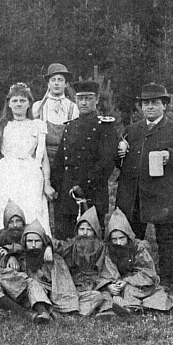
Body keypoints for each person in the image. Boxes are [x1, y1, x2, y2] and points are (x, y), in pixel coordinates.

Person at [116, 83, 173, 292]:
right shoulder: (132, 130)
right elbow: (120, 164)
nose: (150, 107)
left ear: (164, 106)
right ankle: (135, 278)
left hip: (162, 193)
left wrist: (171, 156)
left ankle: (168, 282)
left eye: (154, 103)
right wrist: (120, 153)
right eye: (146, 104)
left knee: (165, 238)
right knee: (134, 238)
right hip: (135, 194)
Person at [0, 83, 55, 236]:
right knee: (3, 209)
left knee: (31, 210)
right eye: (15, 100)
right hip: (6, 174)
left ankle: (33, 243)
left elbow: (43, 158)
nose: (18, 104)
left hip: (30, 175)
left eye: (22, 101)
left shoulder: (37, 126)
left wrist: (47, 182)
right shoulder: (1, 125)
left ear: (29, 103)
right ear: (9, 103)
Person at [51, 81, 117, 239]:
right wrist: (57, 187)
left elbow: (106, 162)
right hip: (67, 194)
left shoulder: (105, 127)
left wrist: (83, 186)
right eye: (80, 99)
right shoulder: (70, 126)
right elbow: (60, 161)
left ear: (97, 100)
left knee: (92, 241)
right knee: (65, 239)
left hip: (92, 192)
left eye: (88, 98)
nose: (84, 103)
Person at [0, 220, 80, 323]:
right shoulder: (19, 258)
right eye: (30, 241)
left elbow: (64, 284)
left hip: (54, 296)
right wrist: (11, 258)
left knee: (94, 296)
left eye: (37, 241)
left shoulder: (54, 258)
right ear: (24, 243)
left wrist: (49, 247)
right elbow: (1, 274)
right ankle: (43, 312)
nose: (34, 245)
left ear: (43, 242)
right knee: (33, 284)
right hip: (28, 296)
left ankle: (54, 312)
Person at [99, 208, 173, 313]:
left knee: (133, 291)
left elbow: (147, 272)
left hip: (136, 283)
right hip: (117, 284)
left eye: (122, 238)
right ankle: (118, 307)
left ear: (128, 236)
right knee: (103, 295)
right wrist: (109, 285)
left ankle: (130, 307)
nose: (118, 243)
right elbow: (106, 271)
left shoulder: (138, 248)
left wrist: (127, 281)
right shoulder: (107, 250)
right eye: (114, 239)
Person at [49, 207, 116, 318]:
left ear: (95, 232)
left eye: (89, 230)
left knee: (102, 296)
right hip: (74, 286)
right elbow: (57, 245)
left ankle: (100, 311)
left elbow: (108, 269)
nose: (85, 233)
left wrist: (108, 284)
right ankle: (77, 311)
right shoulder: (71, 245)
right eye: (82, 229)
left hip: (94, 285)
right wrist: (48, 246)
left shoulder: (101, 248)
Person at [32, 63, 79, 163]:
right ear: (48, 84)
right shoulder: (39, 106)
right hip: (43, 157)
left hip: (65, 158)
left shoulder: (73, 107)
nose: (56, 83)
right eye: (53, 80)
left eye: (60, 80)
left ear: (66, 84)